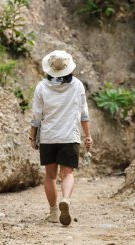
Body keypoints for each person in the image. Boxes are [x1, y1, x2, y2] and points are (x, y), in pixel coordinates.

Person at [29, 50, 93, 226]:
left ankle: (53, 212)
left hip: (49, 137)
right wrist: (88, 136)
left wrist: (32, 136)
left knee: (50, 176)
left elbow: (36, 115)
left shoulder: (42, 86)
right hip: (70, 136)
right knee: (68, 173)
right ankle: (66, 198)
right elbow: (83, 114)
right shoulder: (78, 85)